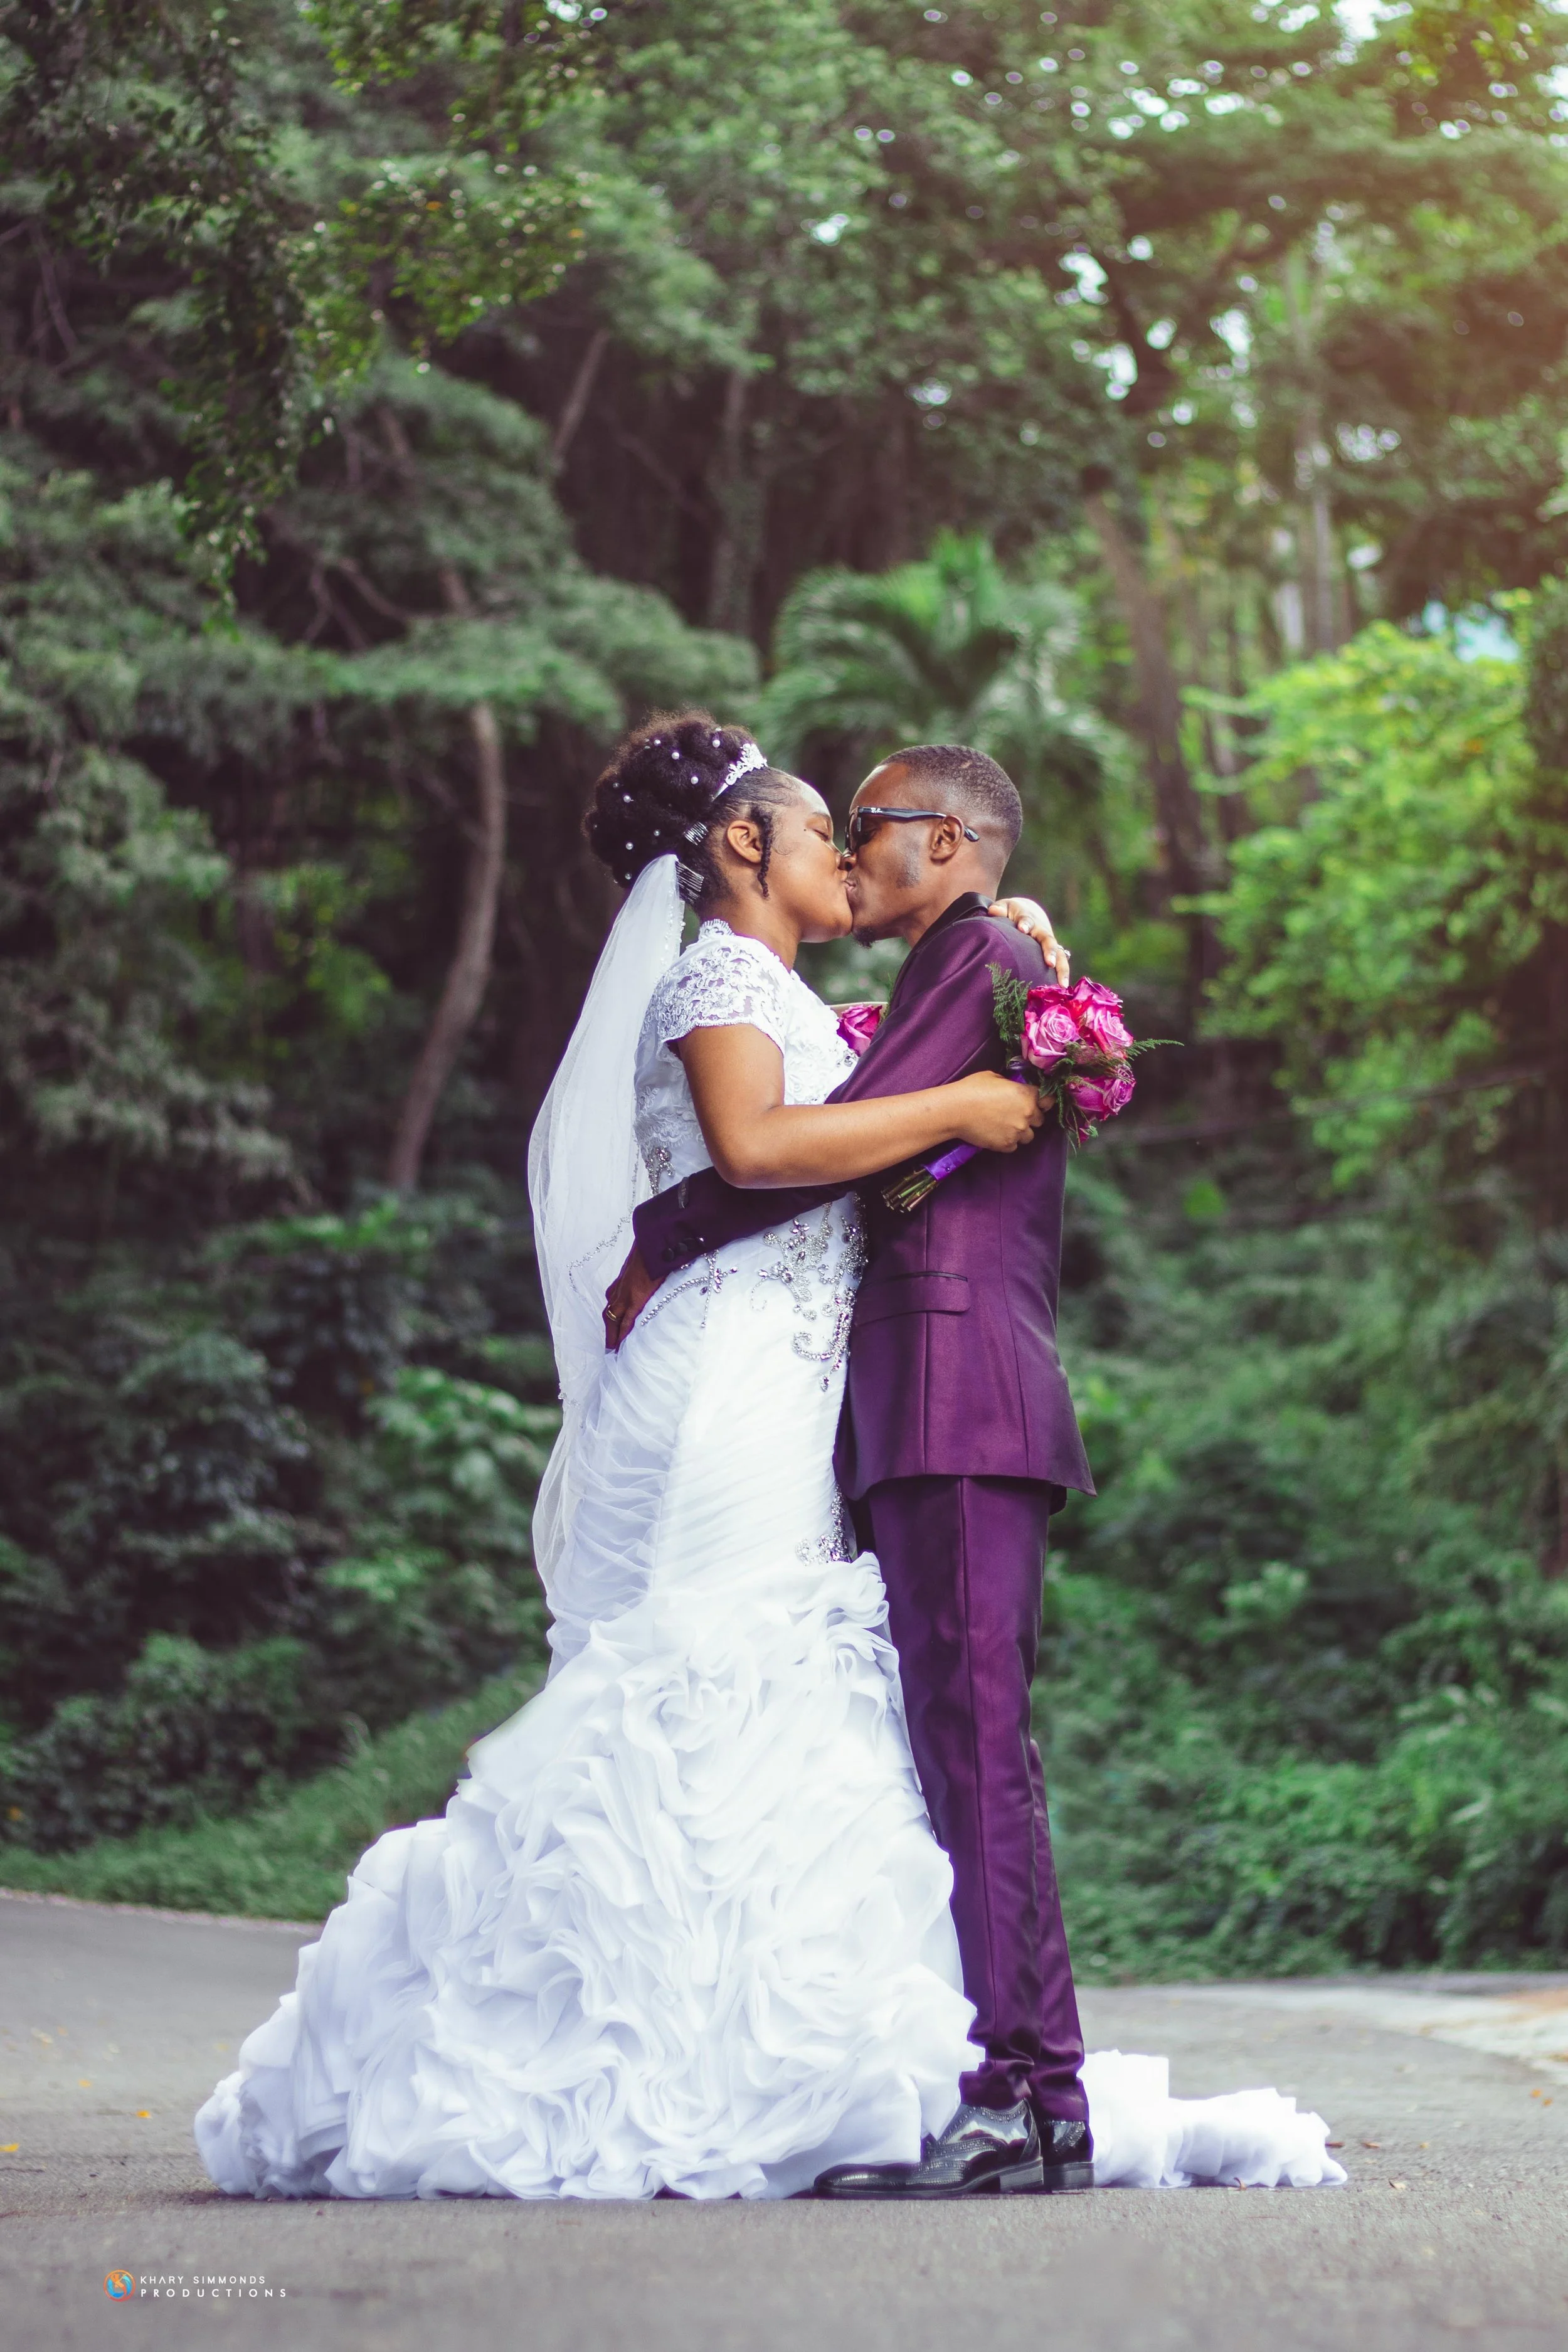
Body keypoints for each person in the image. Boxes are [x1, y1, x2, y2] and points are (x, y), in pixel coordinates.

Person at [194, 712, 1055, 2202]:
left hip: (787, 1384)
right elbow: (764, 1149)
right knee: (694, 1682)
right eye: (820, 829)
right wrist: (970, 1102)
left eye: (859, 832)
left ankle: (750, 2054)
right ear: (744, 843)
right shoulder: (720, 974)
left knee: (760, 1697)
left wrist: (1012, 948)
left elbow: (850, 1095)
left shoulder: (787, 989)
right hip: (723, 1383)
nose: (843, 856)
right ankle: (614, 2047)